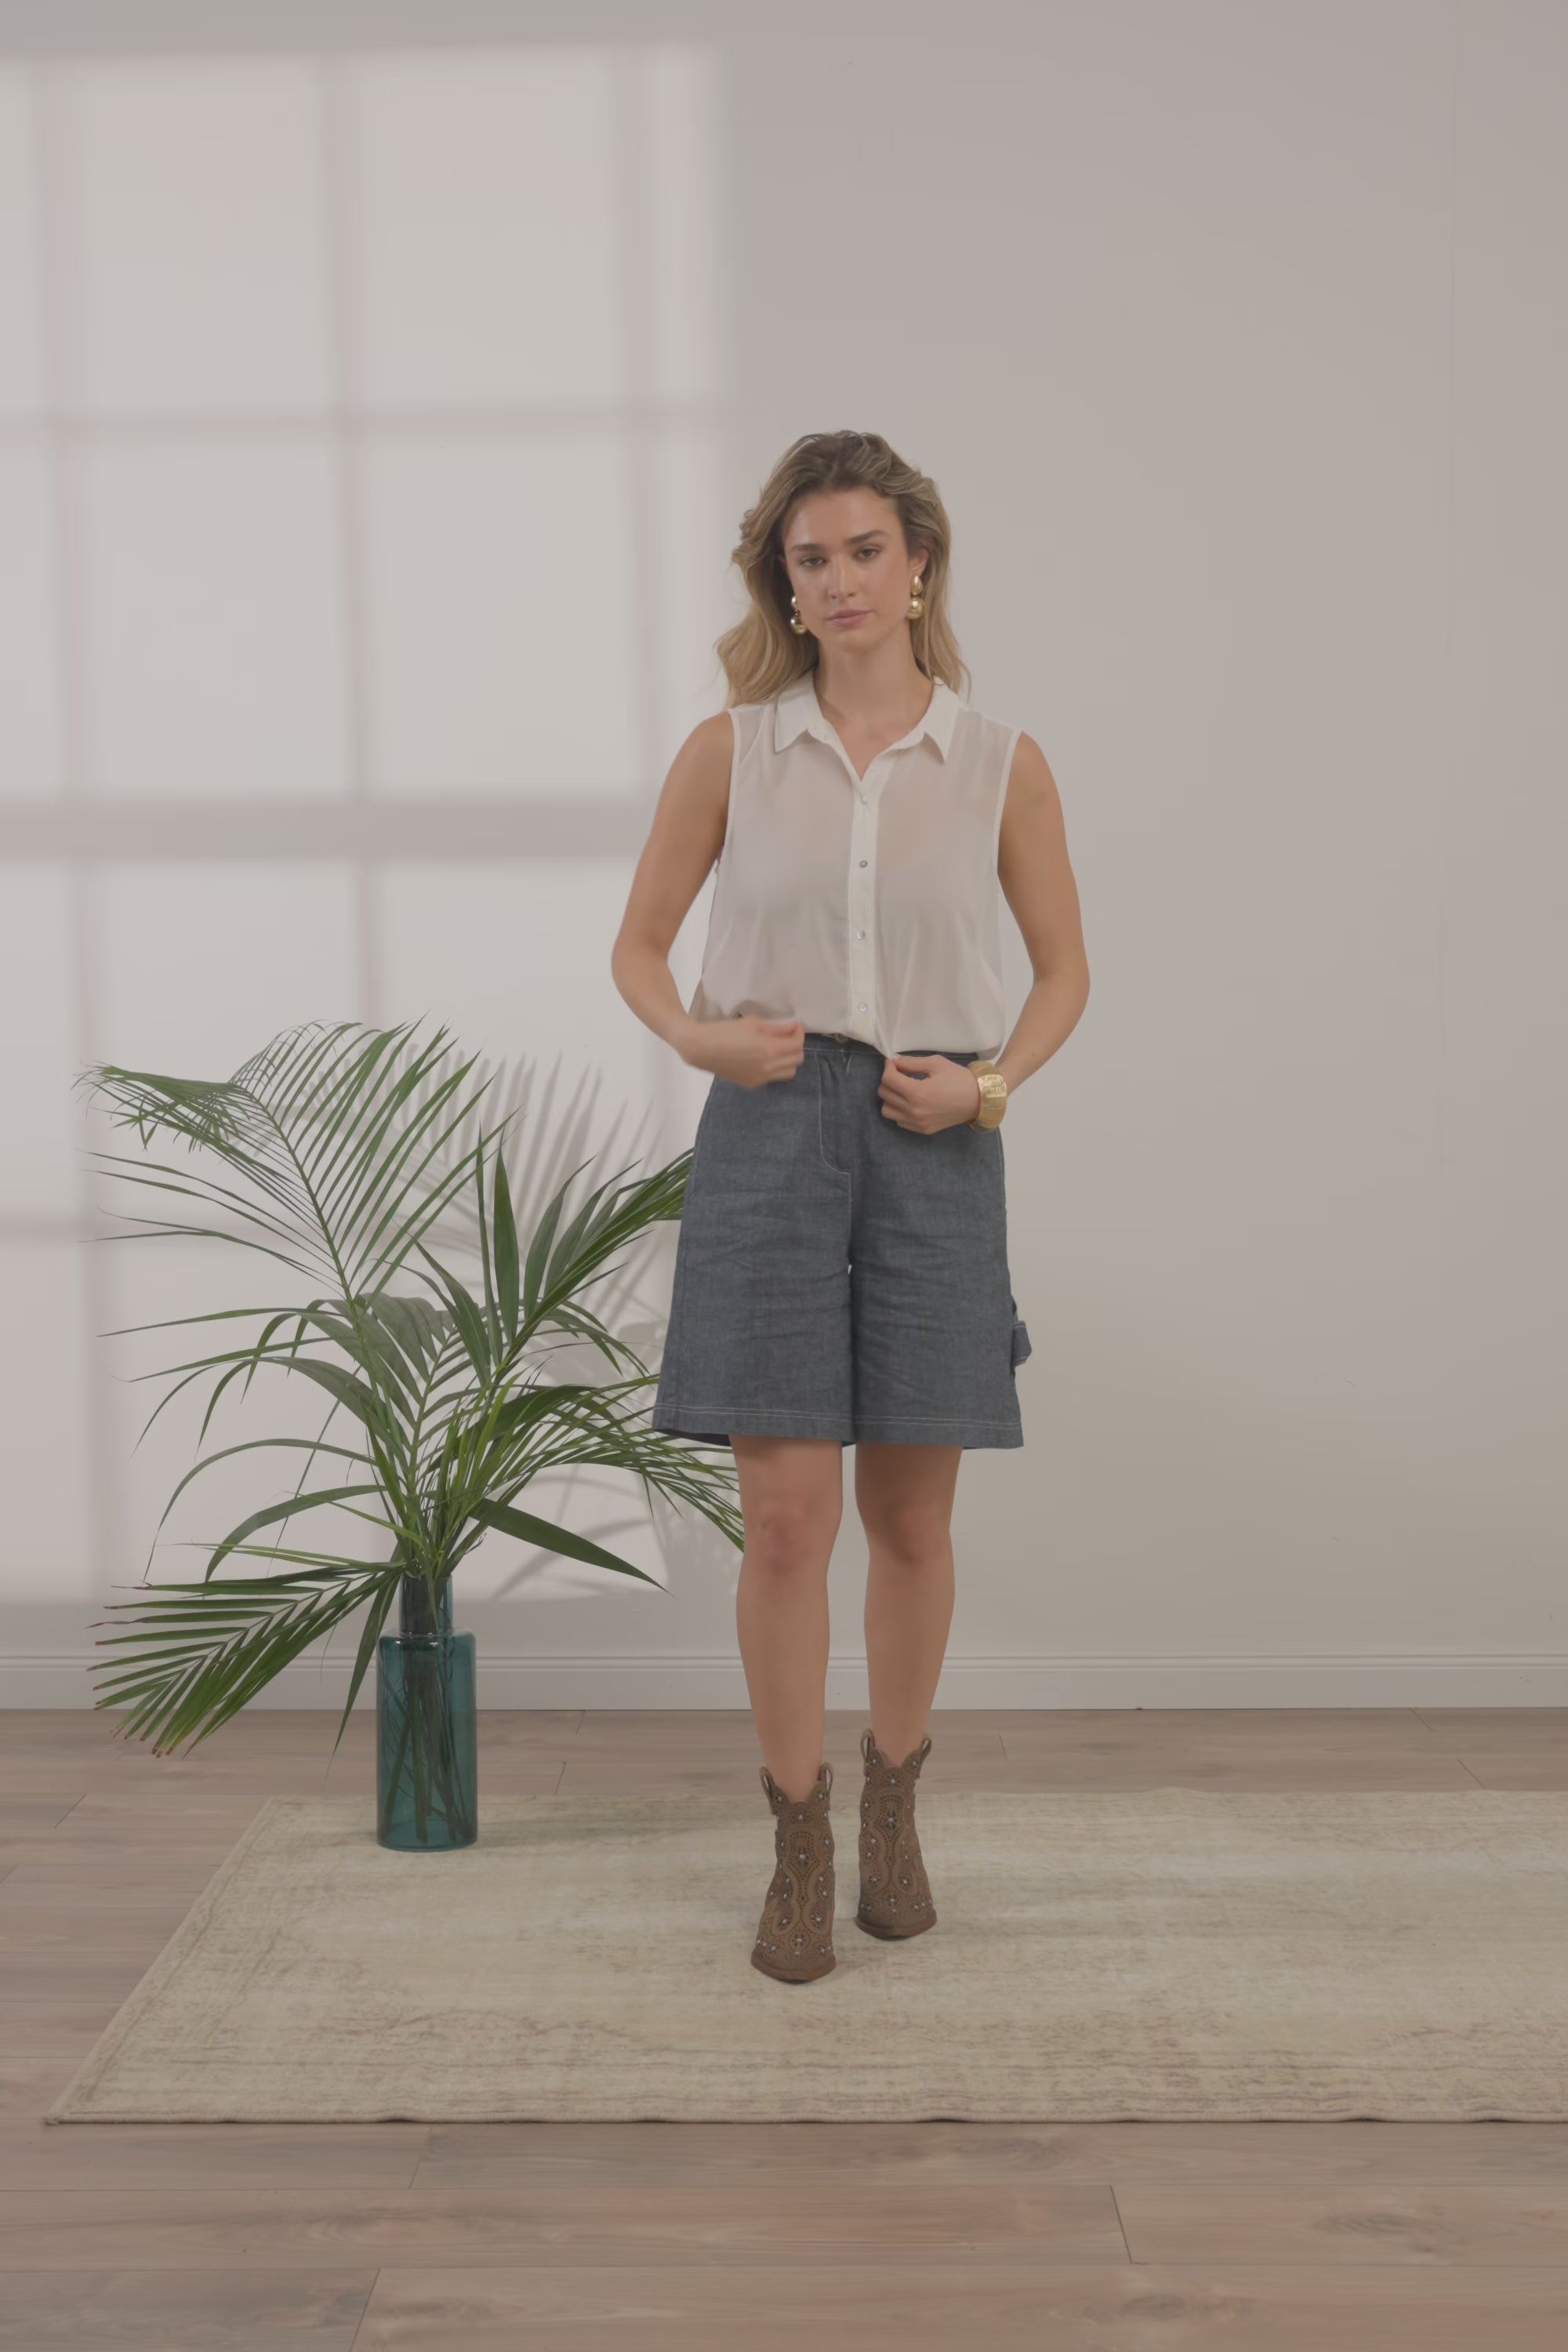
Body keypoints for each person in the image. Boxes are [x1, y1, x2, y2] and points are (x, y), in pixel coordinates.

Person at [611, 429, 1089, 1983]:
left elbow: (1065, 971)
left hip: (934, 1131)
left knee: (911, 1516)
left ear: (918, 563)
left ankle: (894, 1808)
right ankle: (799, 1841)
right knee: (782, 1522)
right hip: (768, 1127)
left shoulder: (1001, 761)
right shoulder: (731, 753)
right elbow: (637, 948)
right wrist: (698, 1039)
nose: (838, 581)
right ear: (785, 583)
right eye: (808, 559)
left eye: (864, 550)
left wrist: (990, 1087)